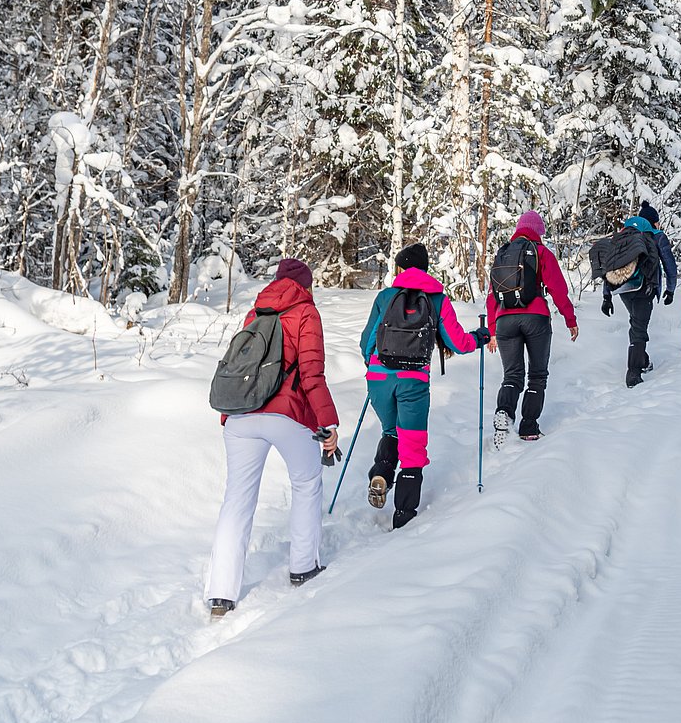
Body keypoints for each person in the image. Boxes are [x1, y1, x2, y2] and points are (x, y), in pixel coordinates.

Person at [205, 258, 339, 619]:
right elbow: (311, 375)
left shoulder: (256, 312)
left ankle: (221, 593)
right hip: (286, 414)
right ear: (306, 286)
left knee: (237, 499)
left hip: (241, 416)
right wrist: (328, 423)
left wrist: (230, 415)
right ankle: (303, 567)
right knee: (306, 483)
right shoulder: (306, 313)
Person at [359, 242, 489, 529]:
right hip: (413, 381)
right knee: (412, 444)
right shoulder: (437, 300)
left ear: (402, 268)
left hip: (379, 378)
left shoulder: (385, 297)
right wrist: (479, 337)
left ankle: (381, 473)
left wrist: (373, 367)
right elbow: (458, 343)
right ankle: (404, 517)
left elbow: (367, 340)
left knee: (391, 431)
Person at [487, 210, 578, 446]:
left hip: (505, 320)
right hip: (536, 317)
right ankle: (528, 427)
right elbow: (558, 289)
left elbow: (491, 296)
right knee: (537, 375)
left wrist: (492, 330)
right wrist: (570, 319)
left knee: (512, 375)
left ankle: (504, 413)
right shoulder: (541, 252)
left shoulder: (503, 254)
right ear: (538, 231)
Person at [600, 211, 662, 387]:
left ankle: (643, 361)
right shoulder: (647, 238)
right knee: (639, 328)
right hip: (643, 288)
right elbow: (653, 262)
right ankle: (633, 373)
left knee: (636, 323)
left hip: (623, 289)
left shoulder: (617, 241)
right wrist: (654, 285)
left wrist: (607, 297)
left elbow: (609, 268)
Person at [637, 200, 678, 307]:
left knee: (634, 315)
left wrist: (606, 295)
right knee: (640, 317)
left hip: (626, 285)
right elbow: (670, 266)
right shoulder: (658, 237)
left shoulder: (630, 235)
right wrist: (670, 290)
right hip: (647, 284)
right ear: (654, 223)